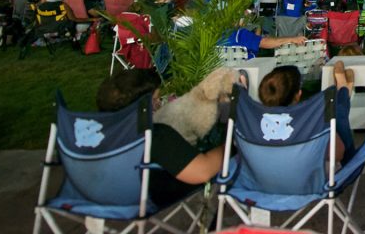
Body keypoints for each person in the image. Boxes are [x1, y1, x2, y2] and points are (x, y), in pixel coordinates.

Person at [97, 69, 225, 206]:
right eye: (154, 100)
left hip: (102, 194)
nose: (158, 104)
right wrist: (229, 146)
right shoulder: (156, 136)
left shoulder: (96, 134)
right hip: (150, 195)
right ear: (141, 107)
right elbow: (203, 172)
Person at [219, 26, 307, 59]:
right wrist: (292, 39)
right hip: (246, 72)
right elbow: (264, 42)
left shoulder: (209, 41)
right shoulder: (239, 35)